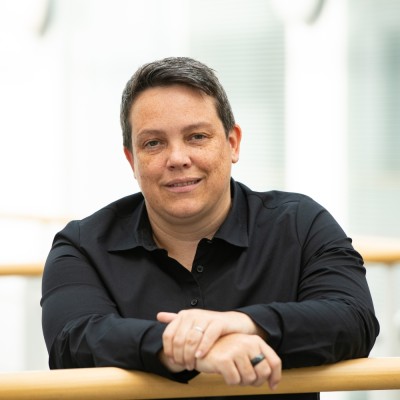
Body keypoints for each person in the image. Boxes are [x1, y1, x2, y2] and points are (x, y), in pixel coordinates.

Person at [41, 57, 379, 400]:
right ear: (132, 160)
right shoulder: (82, 246)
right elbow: (72, 342)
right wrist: (186, 348)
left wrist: (246, 325)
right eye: (154, 143)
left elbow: (354, 319)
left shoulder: (300, 224)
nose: (177, 158)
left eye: (197, 137)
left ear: (233, 143)